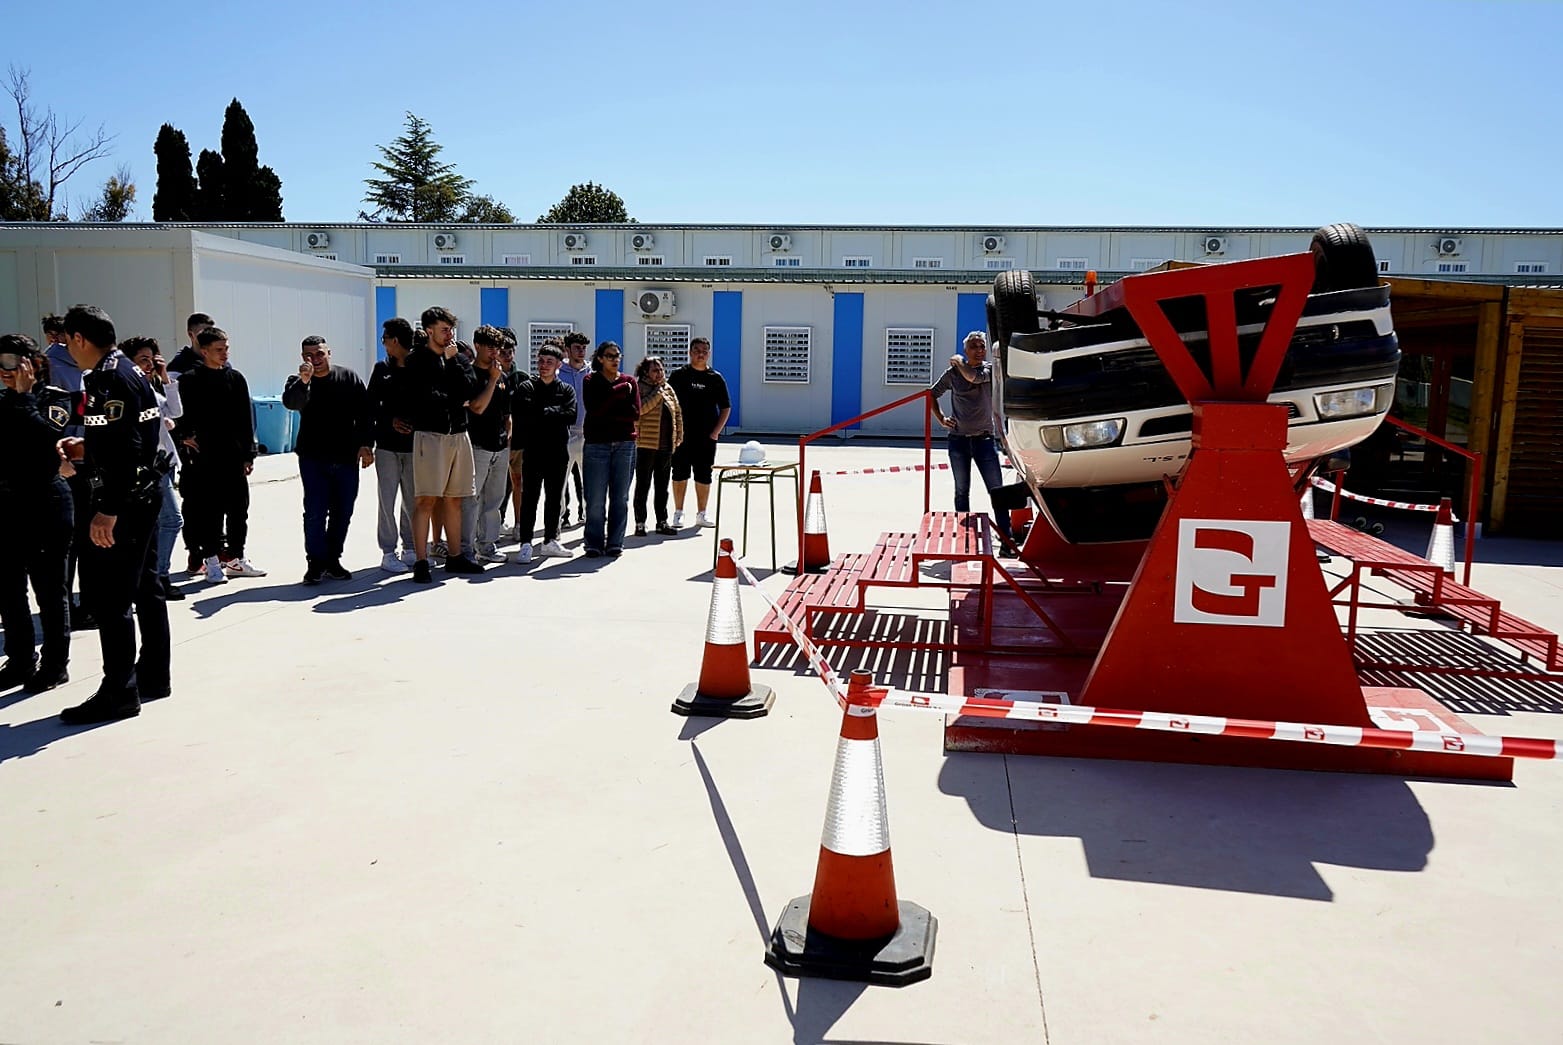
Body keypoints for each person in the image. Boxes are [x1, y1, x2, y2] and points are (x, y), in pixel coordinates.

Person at [54, 304, 171, 724]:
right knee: (146, 587)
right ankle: (153, 675)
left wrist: (107, 510)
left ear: (79, 338)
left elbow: (125, 451)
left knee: (112, 598)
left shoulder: (109, 378)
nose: (68, 350)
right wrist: (84, 449)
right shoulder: (127, 370)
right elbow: (127, 434)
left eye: (68, 342)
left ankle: (119, 691)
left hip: (125, 501)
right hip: (143, 493)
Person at [0, 334, 74, 693]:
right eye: (0, 364)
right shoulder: (2, 402)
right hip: (7, 506)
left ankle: (55, 664)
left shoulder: (55, 399)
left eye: (12, 362)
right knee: (9, 591)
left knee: (49, 591)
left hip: (46, 505)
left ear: (34, 363)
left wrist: (25, 397)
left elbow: (46, 441)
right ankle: (19, 660)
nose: (6, 371)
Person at [176, 326, 266, 583]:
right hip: (204, 458)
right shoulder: (190, 380)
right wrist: (183, 436)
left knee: (239, 510)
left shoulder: (235, 378)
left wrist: (249, 454)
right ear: (204, 351)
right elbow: (177, 415)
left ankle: (236, 559)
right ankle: (212, 561)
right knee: (210, 512)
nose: (225, 353)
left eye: (226, 348)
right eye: (219, 349)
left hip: (233, 456)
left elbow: (246, 419)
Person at [283, 335, 374, 585]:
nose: (315, 359)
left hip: (346, 458)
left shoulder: (348, 377)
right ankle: (315, 563)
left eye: (319, 354)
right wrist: (304, 381)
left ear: (329, 353)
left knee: (342, 512)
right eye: (309, 355)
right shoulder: (297, 382)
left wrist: (366, 444)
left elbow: (365, 413)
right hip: (313, 459)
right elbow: (291, 403)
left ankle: (333, 560)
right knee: (315, 512)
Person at [406, 306, 484, 582]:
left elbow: (469, 391)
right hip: (430, 436)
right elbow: (424, 397)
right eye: (444, 329)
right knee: (426, 499)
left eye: (451, 329)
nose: (449, 334)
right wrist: (452, 396)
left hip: (459, 435)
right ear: (429, 331)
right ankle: (421, 561)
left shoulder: (458, 358)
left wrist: (452, 365)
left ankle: (455, 556)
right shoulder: (417, 360)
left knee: (455, 498)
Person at [930, 331, 1013, 546]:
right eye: (974, 347)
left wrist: (958, 361)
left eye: (982, 346)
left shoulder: (989, 370)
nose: (979, 350)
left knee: (997, 491)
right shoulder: (952, 374)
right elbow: (932, 394)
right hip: (958, 440)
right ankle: (964, 541)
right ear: (966, 350)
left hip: (984, 440)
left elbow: (972, 377)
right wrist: (941, 419)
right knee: (961, 491)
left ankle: (1007, 540)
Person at [123, 336, 187, 602]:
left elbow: (175, 411)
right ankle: (157, 576)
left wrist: (165, 377)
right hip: (148, 467)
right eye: (143, 360)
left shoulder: (152, 388)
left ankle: (154, 576)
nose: (149, 365)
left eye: (152, 359)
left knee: (160, 524)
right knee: (171, 520)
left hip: (164, 463)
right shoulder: (130, 389)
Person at [510, 339, 575, 563]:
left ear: (559, 364)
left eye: (549, 361)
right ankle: (526, 543)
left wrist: (543, 412)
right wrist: (553, 413)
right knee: (530, 497)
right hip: (533, 451)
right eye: (541, 361)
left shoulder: (566, 389)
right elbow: (523, 416)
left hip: (558, 452)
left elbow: (571, 415)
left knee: (554, 498)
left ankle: (550, 540)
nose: (544, 365)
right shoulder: (526, 387)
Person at [167, 312, 215, 573]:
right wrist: (182, 436)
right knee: (195, 501)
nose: (206, 335)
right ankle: (195, 554)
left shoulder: (218, 360)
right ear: (190, 334)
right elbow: (169, 407)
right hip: (191, 447)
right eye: (201, 331)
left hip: (216, 445)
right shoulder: (178, 367)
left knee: (218, 501)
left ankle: (219, 552)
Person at [581, 341, 639, 558]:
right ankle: (594, 543)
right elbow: (595, 410)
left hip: (625, 444)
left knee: (620, 497)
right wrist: (619, 393)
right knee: (595, 498)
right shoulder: (591, 380)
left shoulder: (629, 382)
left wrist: (612, 403)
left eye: (617, 355)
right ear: (600, 359)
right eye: (610, 356)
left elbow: (634, 413)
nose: (615, 360)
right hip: (597, 444)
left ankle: (615, 542)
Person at [460, 325, 512, 565]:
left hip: (500, 446)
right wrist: (492, 380)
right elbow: (477, 408)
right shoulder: (469, 375)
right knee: (472, 499)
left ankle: (487, 545)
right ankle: (466, 548)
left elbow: (506, 413)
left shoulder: (503, 377)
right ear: (477, 346)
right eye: (490, 347)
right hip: (476, 445)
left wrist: (508, 437)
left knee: (494, 500)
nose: (495, 352)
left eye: (497, 348)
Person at [369, 318, 417, 573]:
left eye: (384, 339)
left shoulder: (419, 368)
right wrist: (390, 421)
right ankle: (388, 552)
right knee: (386, 499)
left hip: (415, 447)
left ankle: (410, 548)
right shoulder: (381, 369)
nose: (383, 344)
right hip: (387, 446)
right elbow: (370, 405)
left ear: (395, 340)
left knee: (412, 500)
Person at [667, 337, 731, 528]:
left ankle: (702, 513)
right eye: (697, 350)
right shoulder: (679, 375)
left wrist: (715, 432)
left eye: (704, 351)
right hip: (681, 436)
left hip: (706, 437)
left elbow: (726, 407)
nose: (700, 354)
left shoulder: (715, 378)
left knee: (704, 473)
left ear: (709, 354)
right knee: (679, 472)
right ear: (690, 352)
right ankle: (678, 513)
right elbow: (668, 402)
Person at [632, 355, 684, 537]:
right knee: (643, 486)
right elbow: (640, 410)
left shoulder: (668, 388)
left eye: (661, 369)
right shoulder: (639, 388)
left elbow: (677, 412)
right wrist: (657, 393)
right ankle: (640, 523)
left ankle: (662, 521)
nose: (660, 373)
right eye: (655, 370)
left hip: (665, 446)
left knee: (662, 487)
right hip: (645, 445)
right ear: (646, 372)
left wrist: (679, 435)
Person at [557, 331, 591, 527]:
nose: (581, 351)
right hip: (566, 435)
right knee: (559, 483)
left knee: (590, 482)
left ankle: (589, 517)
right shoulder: (558, 373)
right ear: (567, 350)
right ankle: (559, 519)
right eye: (577, 348)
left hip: (589, 434)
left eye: (583, 348)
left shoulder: (592, 373)